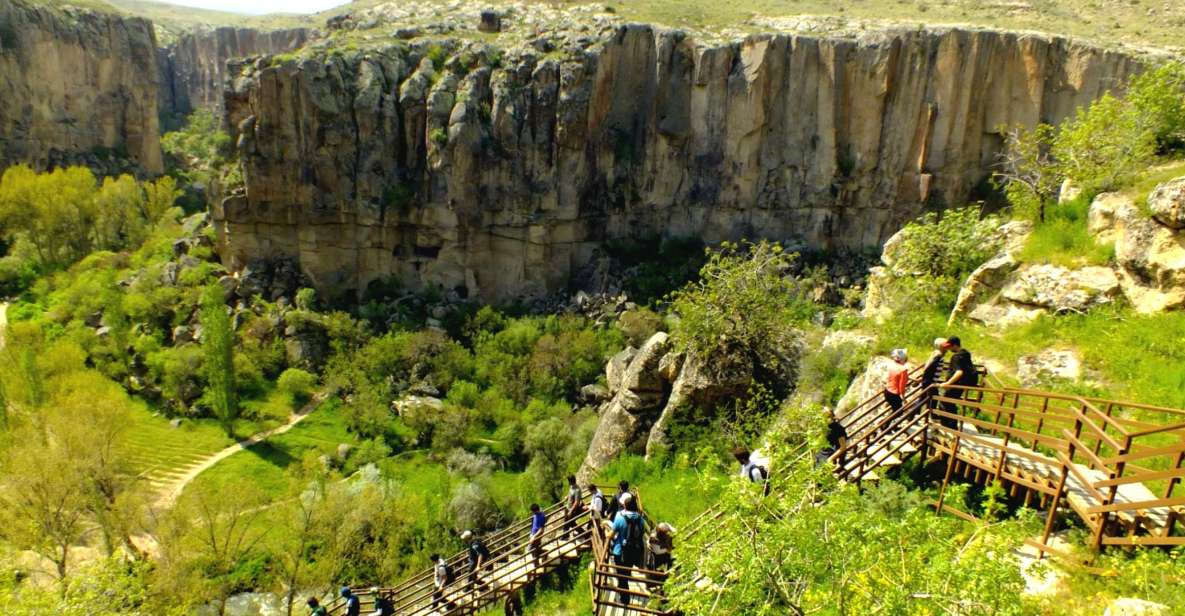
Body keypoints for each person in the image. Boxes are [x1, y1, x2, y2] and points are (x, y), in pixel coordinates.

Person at [608, 493, 647, 606]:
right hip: (634, 550)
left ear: (624, 505)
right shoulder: (640, 519)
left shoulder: (619, 517)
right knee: (626, 570)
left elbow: (611, 534)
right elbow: (642, 532)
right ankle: (623, 589)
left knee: (621, 576)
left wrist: (607, 535)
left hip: (620, 551)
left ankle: (625, 600)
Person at [938, 336, 978, 428]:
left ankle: (950, 426)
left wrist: (948, 383)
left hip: (957, 383)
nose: (948, 348)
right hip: (964, 383)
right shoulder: (965, 353)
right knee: (949, 402)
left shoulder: (956, 357)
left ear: (955, 345)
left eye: (950, 346)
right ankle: (950, 425)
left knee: (946, 402)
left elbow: (959, 372)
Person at [920, 337, 948, 409]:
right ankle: (932, 415)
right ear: (941, 346)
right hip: (930, 380)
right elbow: (930, 367)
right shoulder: (938, 355)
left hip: (928, 380)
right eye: (945, 346)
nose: (947, 348)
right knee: (933, 398)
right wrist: (927, 378)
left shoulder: (935, 353)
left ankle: (913, 414)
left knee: (923, 398)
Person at [462, 530, 490, 594]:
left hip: (476, 561)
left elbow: (480, 554)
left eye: (464, 539)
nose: (464, 540)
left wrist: (478, 566)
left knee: (471, 573)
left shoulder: (474, 544)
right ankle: (483, 585)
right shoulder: (473, 542)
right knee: (473, 575)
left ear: (467, 538)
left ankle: (469, 587)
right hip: (474, 560)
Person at [884, 349, 909, 413]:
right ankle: (885, 422)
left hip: (887, 391)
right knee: (898, 412)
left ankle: (886, 421)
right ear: (903, 359)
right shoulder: (903, 370)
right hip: (894, 394)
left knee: (894, 408)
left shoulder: (892, 365)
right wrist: (903, 398)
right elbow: (901, 386)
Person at [563, 475, 584, 540]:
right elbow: (570, 494)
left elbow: (576, 502)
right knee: (567, 522)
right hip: (568, 508)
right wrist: (567, 497)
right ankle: (566, 535)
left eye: (568, 481)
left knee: (570, 522)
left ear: (571, 481)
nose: (568, 483)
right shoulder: (571, 487)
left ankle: (566, 536)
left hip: (573, 509)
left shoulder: (577, 490)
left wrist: (571, 511)